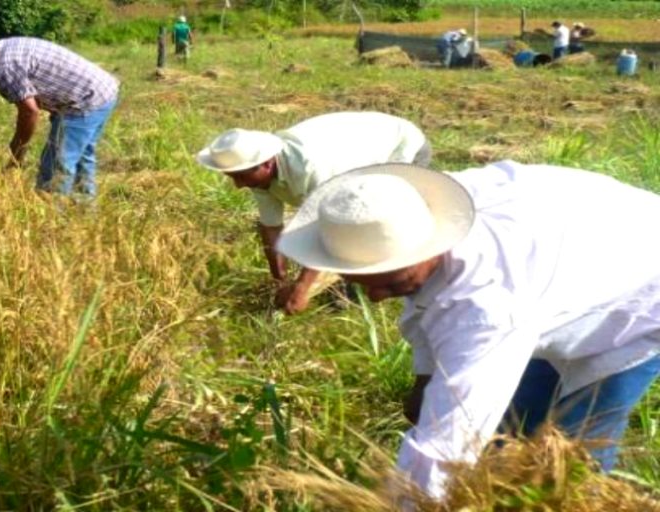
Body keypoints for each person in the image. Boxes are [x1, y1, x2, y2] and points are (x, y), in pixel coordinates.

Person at [276, 160, 660, 501]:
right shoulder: (412, 209)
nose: (375, 298)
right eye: (361, 283)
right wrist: (426, 378)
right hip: (576, 261)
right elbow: (428, 297)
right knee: (510, 430)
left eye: (392, 283)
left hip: (639, 297)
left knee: (571, 456)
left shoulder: (486, 306)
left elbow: (443, 452)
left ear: (430, 247)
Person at [196, 112, 430, 314]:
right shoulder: (255, 172)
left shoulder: (313, 168)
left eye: (241, 177)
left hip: (398, 146)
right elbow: (271, 228)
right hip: (355, 154)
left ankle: (392, 288)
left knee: (378, 222)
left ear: (266, 164)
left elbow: (330, 231)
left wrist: (301, 288)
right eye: (233, 177)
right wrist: (280, 282)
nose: (238, 185)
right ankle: (345, 287)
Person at [0, 35, 119, 198]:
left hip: (85, 100)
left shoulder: (3, 66)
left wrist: (16, 155)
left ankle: (53, 217)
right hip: (102, 89)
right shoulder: (4, 48)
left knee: (55, 166)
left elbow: (29, 112)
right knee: (82, 158)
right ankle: (85, 213)